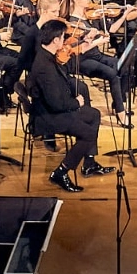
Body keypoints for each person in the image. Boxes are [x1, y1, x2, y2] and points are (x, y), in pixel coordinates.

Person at [28, 18, 109, 191]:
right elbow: (56, 103)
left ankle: (89, 162)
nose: (65, 41)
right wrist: (76, 102)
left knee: (94, 114)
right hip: (48, 117)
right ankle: (61, 172)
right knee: (87, 134)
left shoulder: (47, 56)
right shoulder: (45, 67)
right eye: (63, 37)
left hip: (52, 109)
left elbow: (63, 74)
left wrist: (85, 46)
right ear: (55, 40)